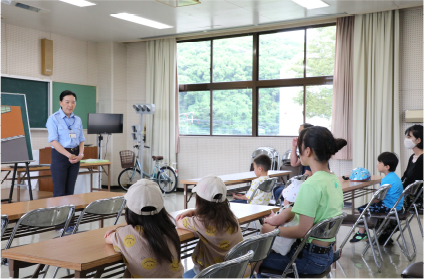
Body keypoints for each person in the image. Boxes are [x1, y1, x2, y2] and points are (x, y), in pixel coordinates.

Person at [259, 126, 347, 276]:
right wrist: (287, 213)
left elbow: (302, 230)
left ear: (307, 151)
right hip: (326, 256)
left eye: (299, 148)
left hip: (307, 259)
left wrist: (273, 231)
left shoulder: (310, 184)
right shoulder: (334, 180)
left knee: (253, 259)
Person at [104, 179, 184, 278]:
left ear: (129, 211)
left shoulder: (125, 234)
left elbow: (108, 238)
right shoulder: (170, 229)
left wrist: (116, 232)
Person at [175, 175, 244, 278]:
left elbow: (179, 221)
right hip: (235, 272)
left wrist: (192, 212)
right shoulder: (231, 217)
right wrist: (194, 212)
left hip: (212, 274)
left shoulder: (201, 222)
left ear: (200, 202)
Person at [349, 152, 404, 243]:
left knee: (362, 209)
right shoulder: (395, 177)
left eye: (379, 162)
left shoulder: (386, 179)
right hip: (397, 207)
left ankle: (361, 233)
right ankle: (370, 233)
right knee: (369, 206)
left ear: (387, 167)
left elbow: (378, 199)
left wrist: (371, 202)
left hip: (389, 207)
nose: (377, 164)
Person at [46, 90, 85, 198]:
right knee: (59, 191)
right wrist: (68, 155)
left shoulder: (78, 119)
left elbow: (81, 139)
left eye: (73, 102)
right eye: (67, 102)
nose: (70, 105)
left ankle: (69, 215)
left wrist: (80, 155)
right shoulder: (53, 119)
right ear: (60, 102)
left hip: (75, 156)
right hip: (60, 155)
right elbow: (53, 141)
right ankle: (59, 214)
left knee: (70, 191)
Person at [272, 123, 314, 203]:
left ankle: (287, 211)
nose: (299, 135)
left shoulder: (311, 150)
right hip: (303, 183)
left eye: (300, 133)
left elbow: (308, 175)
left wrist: (294, 184)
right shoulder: (305, 149)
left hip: (306, 185)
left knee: (281, 191)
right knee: (278, 189)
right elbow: (294, 163)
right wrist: (294, 146)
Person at [402, 125, 423, 206]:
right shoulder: (412, 157)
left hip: (414, 197)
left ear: (418, 140)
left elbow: (413, 179)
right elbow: (406, 175)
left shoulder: (422, 158)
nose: (406, 139)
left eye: (409, 137)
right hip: (408, 193)